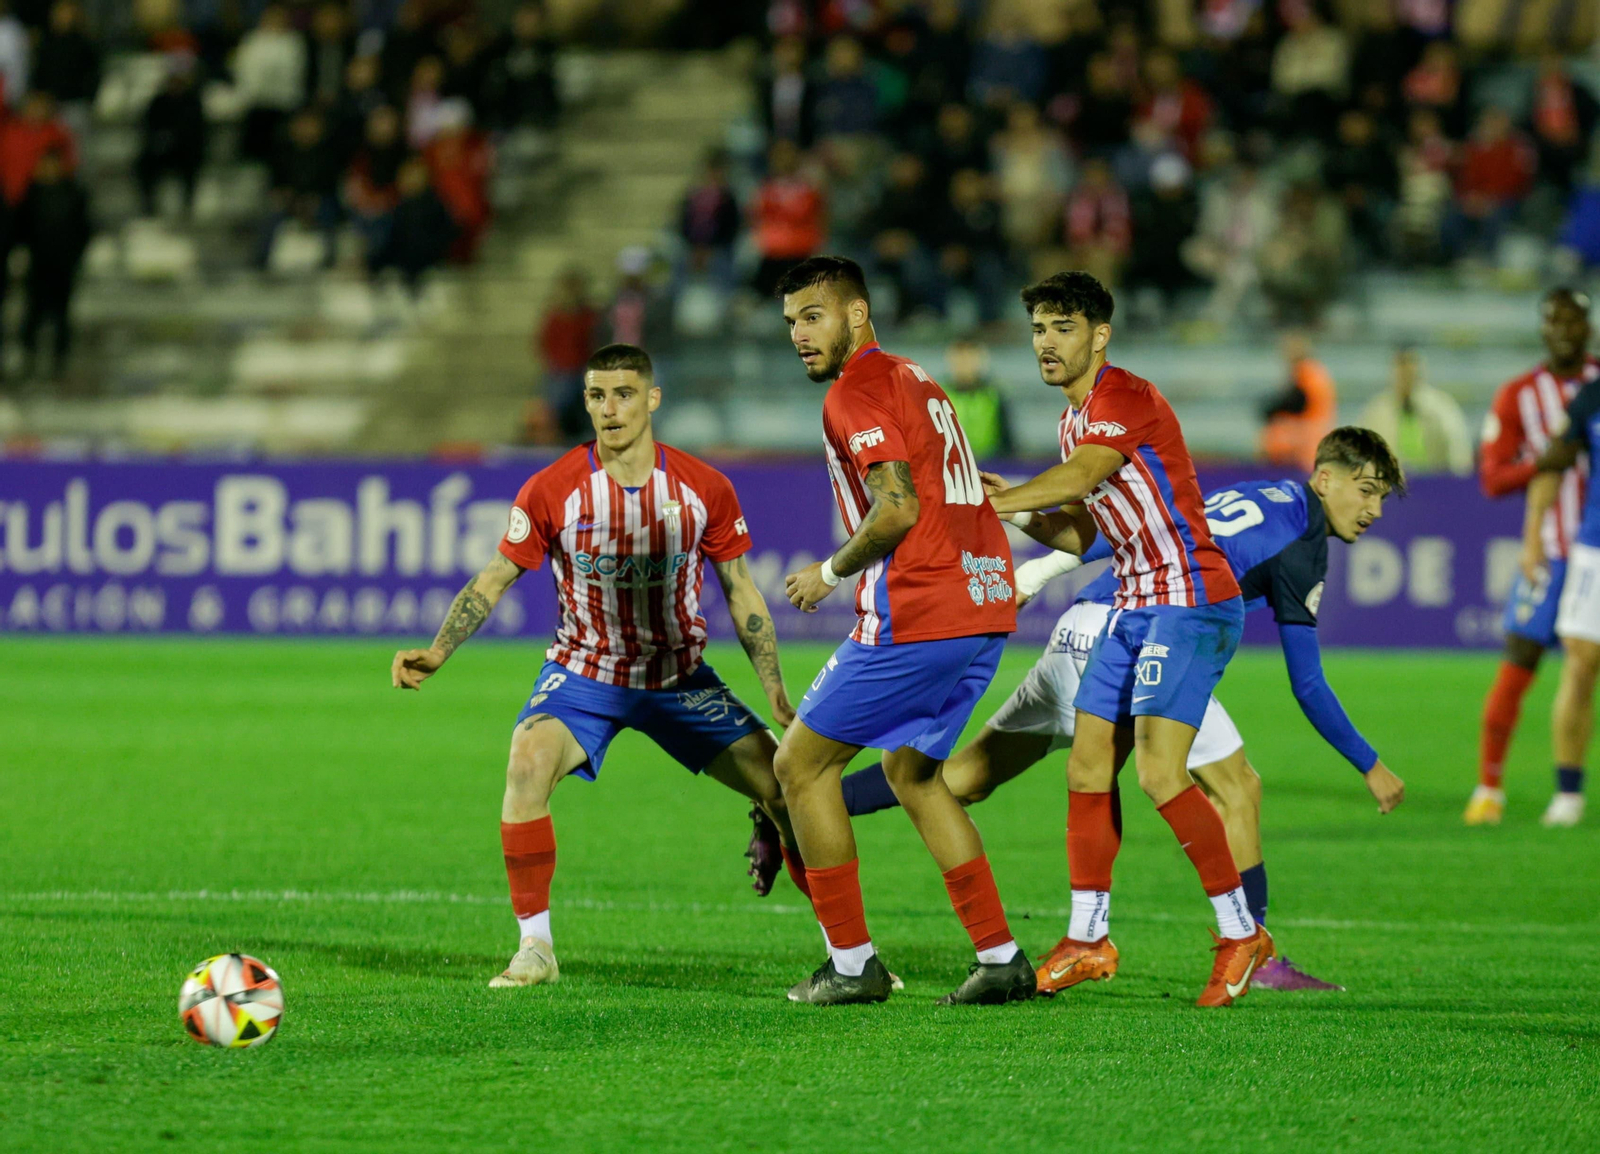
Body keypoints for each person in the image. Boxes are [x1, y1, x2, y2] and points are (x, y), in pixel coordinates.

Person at [839, 428, 1409, 990]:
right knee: (1226, 786)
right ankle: (1247, 946)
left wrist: (1038, 568)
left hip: (1085, 627)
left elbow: (1140, 529)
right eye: (1367, 491)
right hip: (1148, 632)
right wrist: (1369, 764)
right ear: (1325, 478)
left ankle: (807, 802)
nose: (1375, 508)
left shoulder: (1265, 495)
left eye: (1382, 496)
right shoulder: (1300, 544)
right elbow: (1307, 684)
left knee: (962, 778)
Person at [391, 342, 806, 988]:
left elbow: (742, 590)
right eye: (595, 396)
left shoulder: (703, 488)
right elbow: (497, 577)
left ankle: (849, 954)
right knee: (526, 761)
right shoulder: (554, 488)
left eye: (623, 394)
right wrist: (440, 649)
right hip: (585, 675)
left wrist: (775, 691)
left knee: (790, 788)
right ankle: (536, 948)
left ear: (652, 398)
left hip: (677, 678)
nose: (609, 410)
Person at [985, 271, 1269, 1007]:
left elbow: (1084, 474)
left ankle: (1241, 932)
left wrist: (986, 506)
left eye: (1062, 328)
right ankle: (1087, 938)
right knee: (1085, 769)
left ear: (1099, 335)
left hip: (1191, 601)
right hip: (1134, 604)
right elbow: (1085, 529)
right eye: (1039, 329)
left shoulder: (1124, 398)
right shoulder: (1073, 418)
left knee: (1159, 775)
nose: (1046, 343)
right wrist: (1008, 510)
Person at [772, 255, 1030, 1007]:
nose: (798, 334)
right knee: (911, 775)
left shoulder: (855, 394)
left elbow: (897, 508)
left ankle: (852, 965)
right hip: (984, 604)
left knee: (800, 770)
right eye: (790, 322)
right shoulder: (918, 377)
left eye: (812, 317)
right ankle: (1002, 957)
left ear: (857, 315)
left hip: (922, 611)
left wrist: (829, 571)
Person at [1472, 289, 1597, 825]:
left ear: (1588, 326)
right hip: (1552, 550)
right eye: (1555, 321)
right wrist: (1539, 467)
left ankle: (1567, 790)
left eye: (1574, 320)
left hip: (1593, 549)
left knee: (1583, 665)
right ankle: (1489, 788)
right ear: (1543, 329)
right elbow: (1493, 478)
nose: (1565, 330)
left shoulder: (1595, 388)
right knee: (1519, 661)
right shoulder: (1520, 395)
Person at [1520, 325, 1600, 830]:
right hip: (1596, 547)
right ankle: (1568, 790)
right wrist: (1533, 537)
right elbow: (1552, 463)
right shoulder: (1592, 397)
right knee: (1581, 659)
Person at [16, 147, 88, 377]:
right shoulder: (30, 194)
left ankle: (59, 360)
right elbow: (20, 229)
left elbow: (83, 229)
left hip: (63, 266)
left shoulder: (73, 194)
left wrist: (75, 255)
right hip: (38, 265)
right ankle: (28, 356)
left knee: (61, 315)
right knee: (33, 314)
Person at [1358, 346, 1472, 476]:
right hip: (1390, 485)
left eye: (1411, 364)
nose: (1407, 372)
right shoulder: (1376, 411)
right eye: (1401, 366)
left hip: (1435, 483)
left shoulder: (1442, 408)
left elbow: (1459, 455)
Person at [136, 58, 207, 218]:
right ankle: (149, 206)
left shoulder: (193, 101)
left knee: (192, 163)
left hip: (185, 150)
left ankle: (187, 206)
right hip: (162, 149)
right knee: (144, 163)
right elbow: (149, 126)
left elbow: (197, 130)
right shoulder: (158, 101)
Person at [1261, 331, 1337, 473]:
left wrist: (1270, 410)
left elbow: (1295, 402)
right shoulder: (1313, 371)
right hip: (1309, 443)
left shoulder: (1307, 372)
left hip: (1305, 446)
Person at [941, 335, 1013, 460]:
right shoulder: (938, 395)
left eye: (969, 359)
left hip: (990, 465)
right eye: (960, 359)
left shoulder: (994, 395)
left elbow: (1007, 439)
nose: (964, 365)